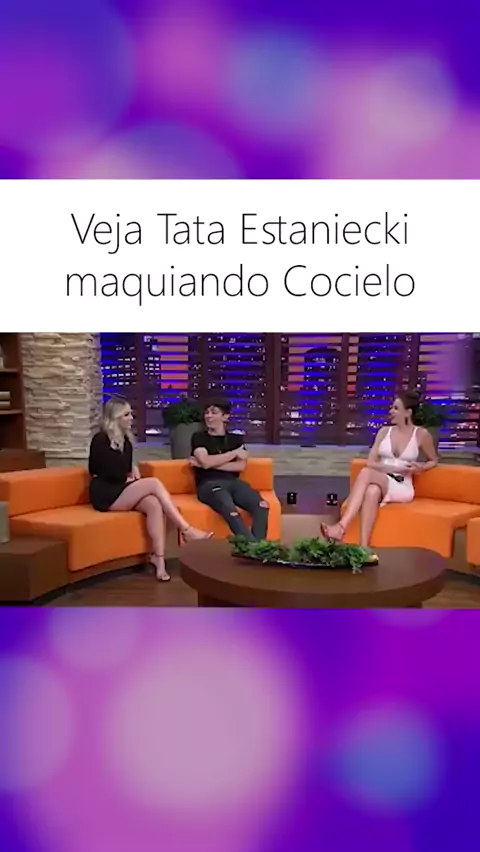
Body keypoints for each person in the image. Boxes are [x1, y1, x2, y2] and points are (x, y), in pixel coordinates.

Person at [88, 397, 212, 582]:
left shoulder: (126, 440)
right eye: (127, 415)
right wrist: (126, 475)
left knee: (154, 504)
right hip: (105, 493)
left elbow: (123, 467)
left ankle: (159, 560)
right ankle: (186, 529)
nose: (131, 418)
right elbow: (96, 469)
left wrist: (132, 469)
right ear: (115, 418)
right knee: (153, 483)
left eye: (131, 414)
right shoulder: (100, 439)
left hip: (121, 488)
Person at [321, 390, 438, 547]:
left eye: (396, 408)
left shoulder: (421, 434)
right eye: (392, 407)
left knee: (366, 473)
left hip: (402, 485)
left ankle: (341, 527)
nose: (391, 411)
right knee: (372, 491)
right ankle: (363, 548)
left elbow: (433, 460)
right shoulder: (384, 432)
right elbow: (370, 462)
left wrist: (420, 467)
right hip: (383, 479)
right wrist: (392, 468)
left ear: (408, 413)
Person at [189, 398, 269, 540]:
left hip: (234, 483)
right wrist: (233, 454)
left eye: (214, 413)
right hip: (209, 485)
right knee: (230, 510)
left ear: (225, 417)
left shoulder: (236, 439)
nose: (208, 416)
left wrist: (208, 463)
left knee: (262, 506)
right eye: (207, 413)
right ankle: (254, 549)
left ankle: (257, 546)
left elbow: (240, 466)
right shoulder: (199, 437)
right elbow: (206, 462)